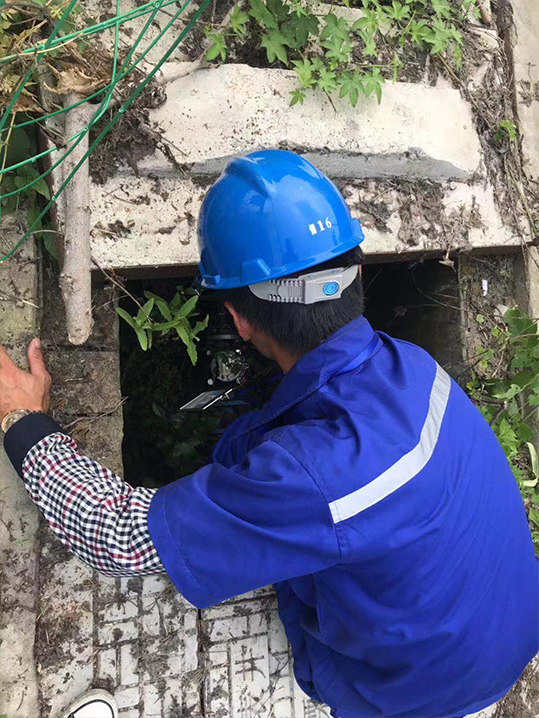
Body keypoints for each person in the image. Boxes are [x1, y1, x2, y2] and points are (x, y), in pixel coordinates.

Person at [1, 150, 537, 718]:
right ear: (357, 273)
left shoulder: (315, 479)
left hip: (423, 696)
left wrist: (24, 421)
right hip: (508, 632)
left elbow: (112, 535)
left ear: (238, 320)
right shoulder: (413, 365)